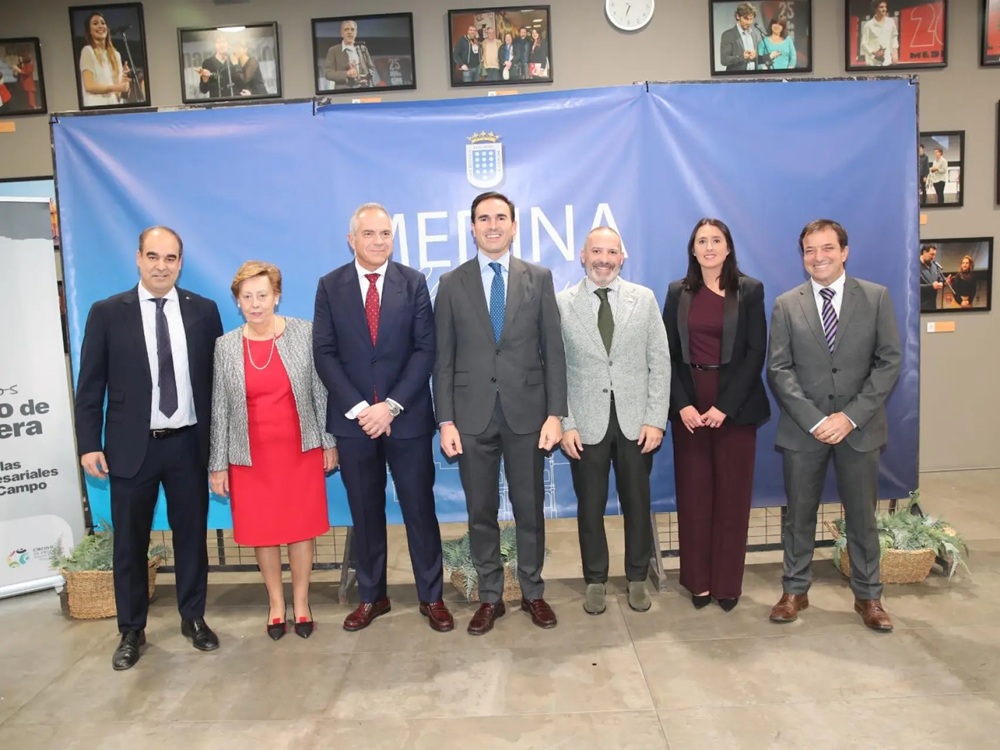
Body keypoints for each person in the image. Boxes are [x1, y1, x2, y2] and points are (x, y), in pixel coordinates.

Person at [75, 226, 223, 670]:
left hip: (187, 446)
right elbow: (90, 386)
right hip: (129, 448)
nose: (162, 266)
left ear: (181, 262)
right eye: (154, 256)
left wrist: (219, 447)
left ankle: (193, 617)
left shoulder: (204, 311)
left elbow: (216, 386)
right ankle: (131, 630)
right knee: (130, 544)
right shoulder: (107, 313)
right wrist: (88, 443)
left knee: (192, 537)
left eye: (171, 258)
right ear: (138, 258)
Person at [313, 203, 453, 634]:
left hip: (405, 420)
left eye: (385, 234)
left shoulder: (413, 283)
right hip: (353, 423)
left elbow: (424, 350)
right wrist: (360, 409)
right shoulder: (330, 286)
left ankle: (432, 597)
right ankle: (372, 597)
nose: (378, 241)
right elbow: (325, 353)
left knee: (419, 509)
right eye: (369, 234)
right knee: (365, 511)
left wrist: (389, 406)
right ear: (351, 239)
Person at [434, 191, 567, 635]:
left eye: (501, 218)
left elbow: (555, 351)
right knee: (481, 512)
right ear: (471, 227)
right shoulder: (452, 283)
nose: (492, 225)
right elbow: (444, 359)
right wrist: (445, 420)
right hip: (471, 418)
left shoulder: (539, 278)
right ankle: (490, 596)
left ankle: (532, 591)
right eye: (483, 218)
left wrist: (555, 413)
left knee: (529, 510)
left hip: (528, 415)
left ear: (514, 226)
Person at [767, 219, 902, 632]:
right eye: (809, 250)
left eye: (827, 248)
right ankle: (795, 590)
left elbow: (889, 361)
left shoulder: (876, 298)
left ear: (844, 251)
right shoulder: (787, 304)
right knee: (798, 515)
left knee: (862, 516)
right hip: (803, 430)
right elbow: (779, 369)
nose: (818, 257)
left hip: (858, 430)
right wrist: (816, 420)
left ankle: (869, 596)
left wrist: (848, 417)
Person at [209, 262, 337, 641]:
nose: (255, 303)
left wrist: (329, 441)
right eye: (246, 297)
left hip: (299, 450)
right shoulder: (226, 346)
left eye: (262, 295)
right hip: (249, 456)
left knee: (300, 529)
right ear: (237, 302)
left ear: (277, 296)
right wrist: (218, 464)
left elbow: (320, 392)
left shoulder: (303, 333)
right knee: (263, 532)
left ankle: (301, 603)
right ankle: (276, 604)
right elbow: (220, 407)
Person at [557, 227, 670, 616]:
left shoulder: (644, 299)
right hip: (584, 425)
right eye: (596, 251)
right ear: (582, 256)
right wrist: (565, 422)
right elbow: (555, 369)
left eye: (611, 252)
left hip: (636, 423)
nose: (603, 258)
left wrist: (656, 419)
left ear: (623, 257)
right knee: (590, 506)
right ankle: (595, 580)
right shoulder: (561, 304)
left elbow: (660, 361)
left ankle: (637, 576)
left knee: (637, 502)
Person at [662, 219, 770, 612]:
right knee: (694, 499)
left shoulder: (750, 290)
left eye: (716, 240)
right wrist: (682, 405)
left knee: (732, 499)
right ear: (693, 250)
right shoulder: (678, 292)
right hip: (689, 408)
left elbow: (755, 352)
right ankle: (698, 582)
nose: (708, 247)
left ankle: (727, 585)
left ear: (728, 248)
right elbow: (667, 354)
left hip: (735, 410)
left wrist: (725, 407)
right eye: (701, 241)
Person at [79, 11, 130, 107]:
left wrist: (124, 82)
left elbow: (119, 93)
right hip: (97, 110)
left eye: (103, 23)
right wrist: (116, 87)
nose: (100, 26)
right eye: (95, 23)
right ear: (89, 30)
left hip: (115, 109)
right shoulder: (88, 51)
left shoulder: (116, 55)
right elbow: (89, 86)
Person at [323, 19, 378, 89]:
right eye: (346, 29)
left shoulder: (362, 48)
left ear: (356, 32)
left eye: (352, 29)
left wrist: (365, 78)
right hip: (343, 91)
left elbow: (371, 69)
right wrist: (346, 74)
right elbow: (328, 73)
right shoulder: (333, 50)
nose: (349, 32)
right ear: (342, 33)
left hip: (364, 89)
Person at [719, 3, 763, 72]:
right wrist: (742, 57)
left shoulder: (755, 34)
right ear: (738, 16)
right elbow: (724, 60)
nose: (749, 22)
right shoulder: (728, 35)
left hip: (754, 78)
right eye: (746, 18)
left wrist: (755, 55)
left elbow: (760, 57)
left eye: (751, 19)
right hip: (736, 79)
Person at [198, 33, 240, 99]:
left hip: (234, 102)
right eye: (218, 42)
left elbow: (242, 83)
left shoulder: (234, 59)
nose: (221, 45)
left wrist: (236, 66)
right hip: (217, 103)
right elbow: (203, 90)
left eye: (224, 41)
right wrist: (205, 80)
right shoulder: (208, 63)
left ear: (228, 44)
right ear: (215, 45)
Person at [860, 1, 899, 67]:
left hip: (887, 61)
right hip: (872, 63)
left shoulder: (890, 22)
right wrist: (874, 52)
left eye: (885, 7)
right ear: (875, 9)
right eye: (881, 7)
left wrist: (895, 54)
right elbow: (863, 44)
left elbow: (894, 39)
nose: (884, 9)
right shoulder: (868, 25)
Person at [919, 245, 949, 311]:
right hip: (919, 307)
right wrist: (931, 286)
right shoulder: (914, 266)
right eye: (931, 254)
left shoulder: (934, 266)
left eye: (934, 255)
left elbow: (938, 279)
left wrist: (944, 282)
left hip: (932, 305)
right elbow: (913, 287)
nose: (933, 257)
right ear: (924, 252)